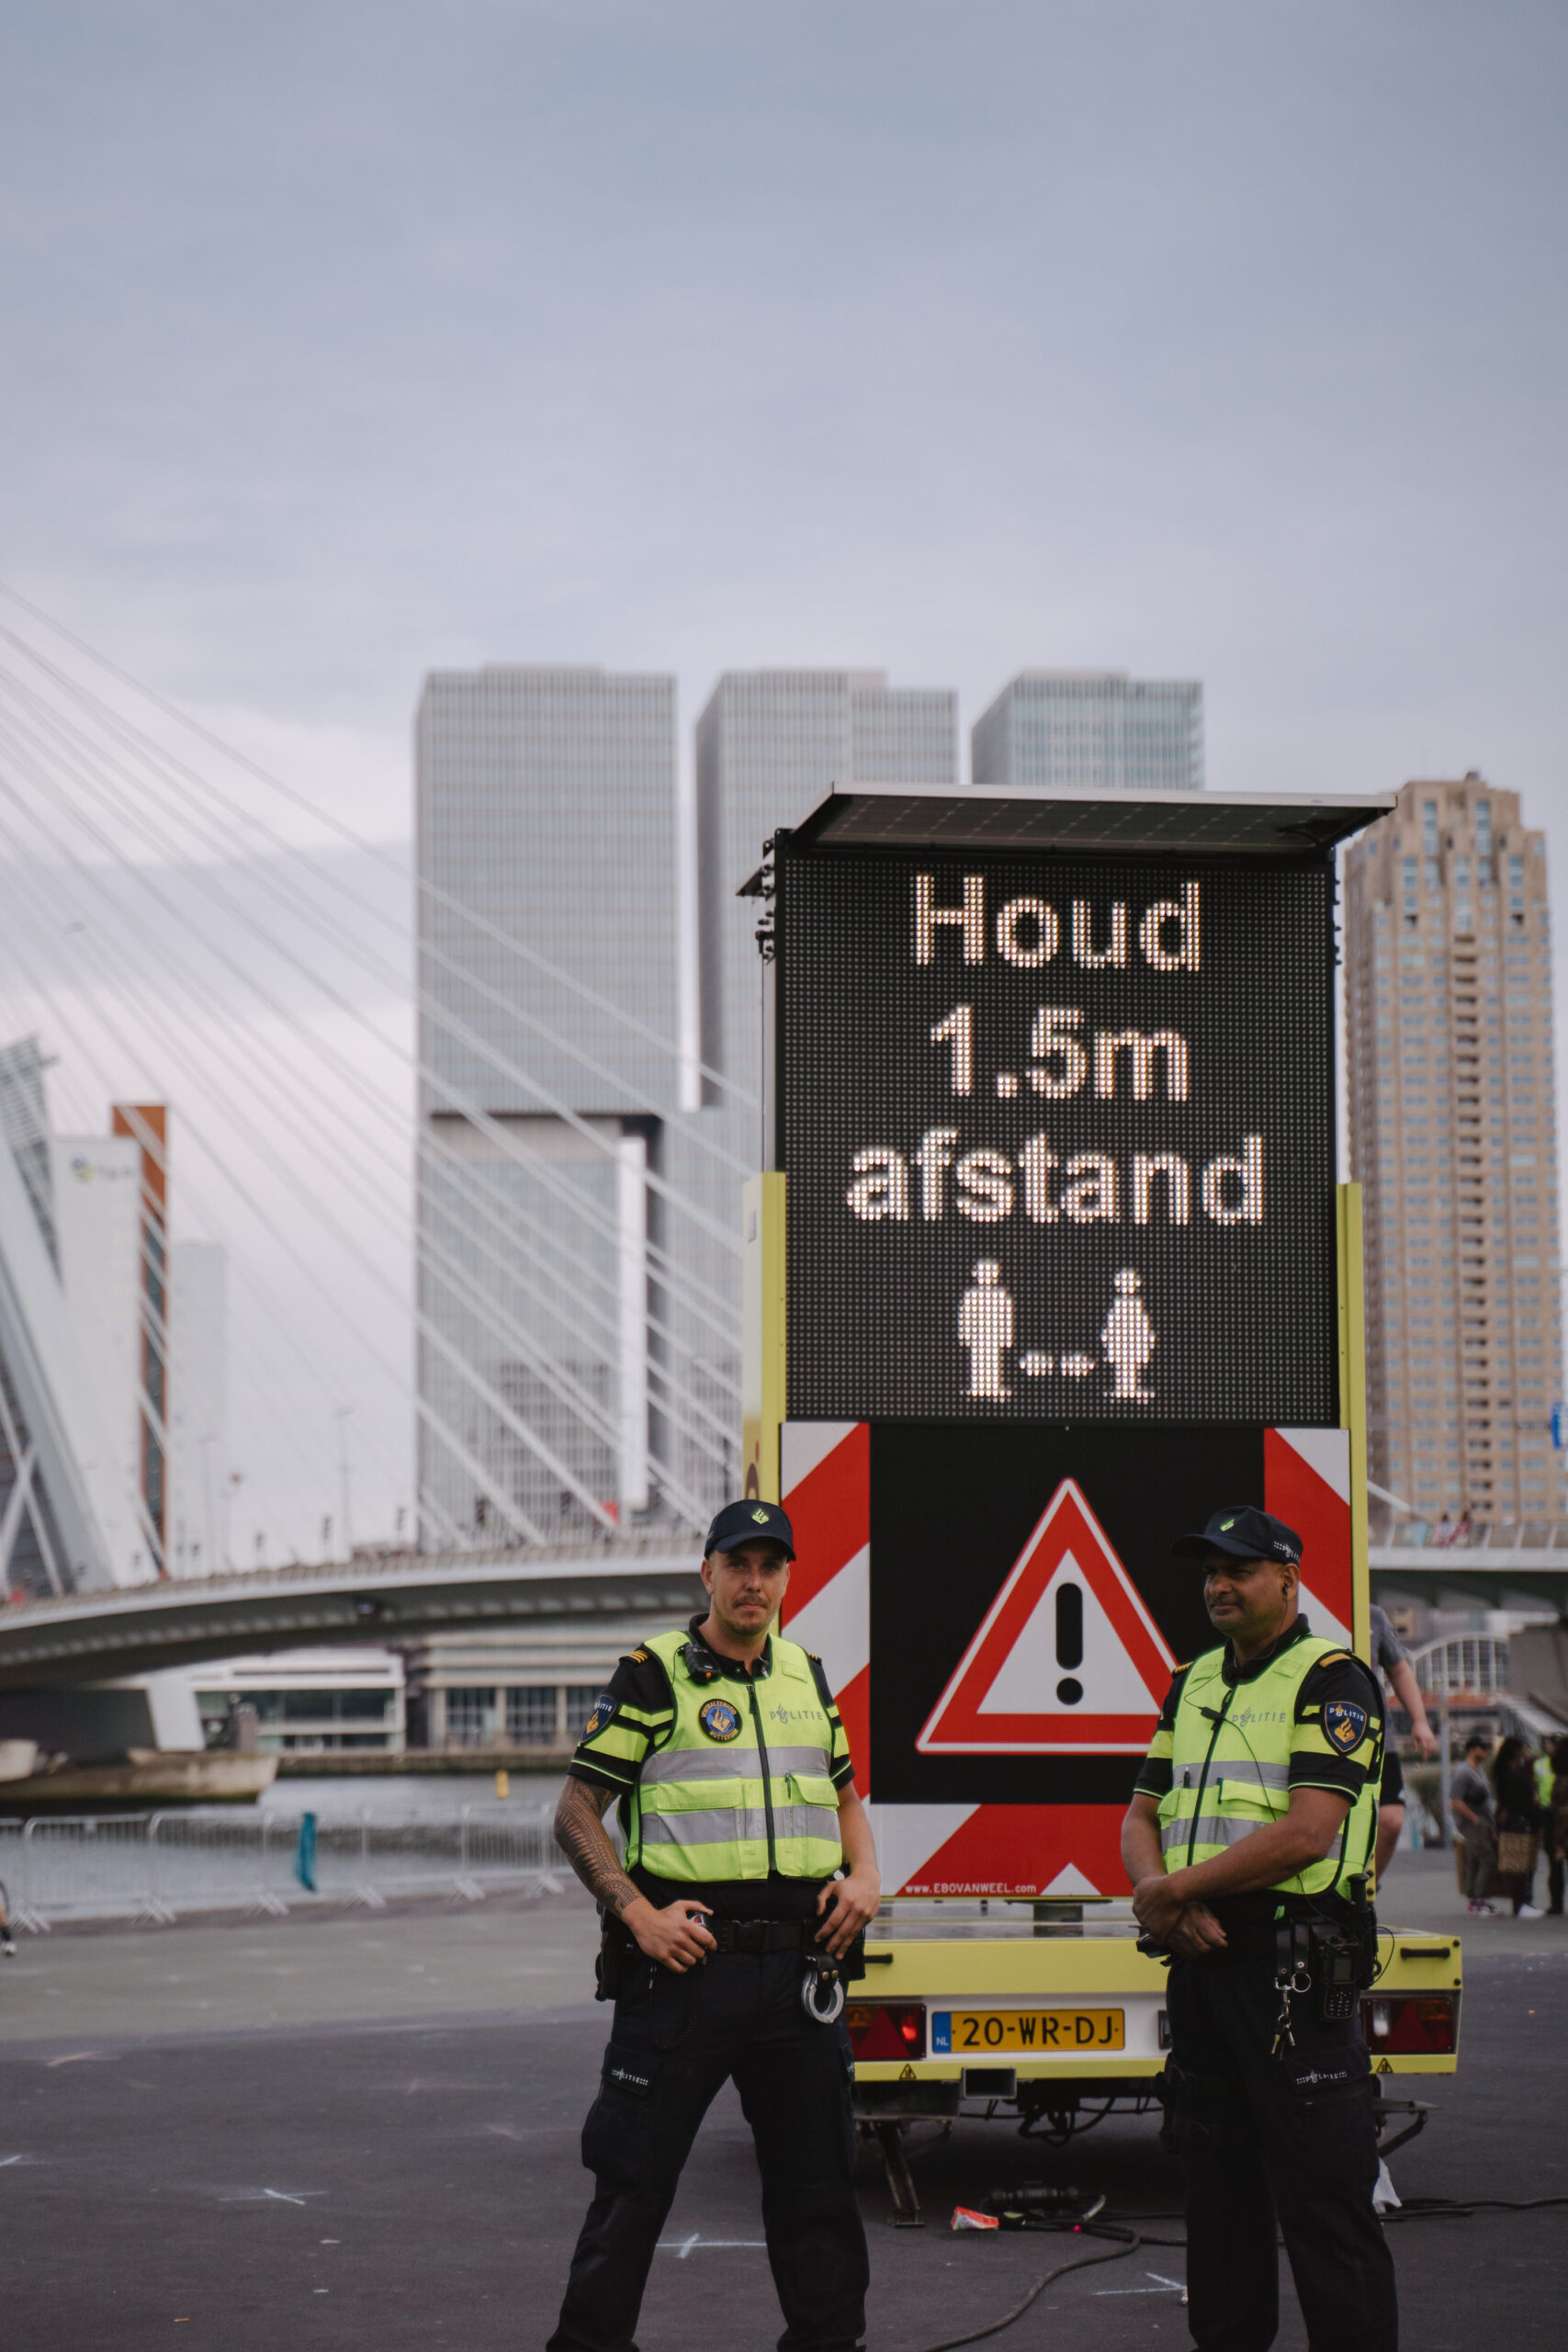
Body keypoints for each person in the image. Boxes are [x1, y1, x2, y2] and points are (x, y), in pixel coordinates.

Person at [546, 1498, 880, 2352]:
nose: (754, 1582)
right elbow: (578, 1813)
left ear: (786, 1579)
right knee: (632, 2188)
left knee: (818, 2196)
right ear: (708, 1572)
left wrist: (868, 1878)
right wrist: (635, 1915)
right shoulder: (652, 1674)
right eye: (739, 1564)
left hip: (802, 1977)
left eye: (771, 1567)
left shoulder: (806, 1675)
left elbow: (844, 1797)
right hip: (685, 1976)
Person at [1122, 1503, 1397, 2352]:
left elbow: (1308, 1833)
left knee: (1324, 2206)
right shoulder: (1193, 1678)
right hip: (1202, 1967)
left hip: (1292, 1974)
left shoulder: (1334, 1677)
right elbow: (1140, 1816)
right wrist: (1161, 1898)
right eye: (1210, 1572)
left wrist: (1171, 1895)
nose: (1218, 1586)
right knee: (1217, 2201)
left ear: (1288, 1578)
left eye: (1238, 1570)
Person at [1368, 1602, 1438, 1881]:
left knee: (1392, 1820)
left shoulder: (1373, 1615)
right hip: (1327, 1738)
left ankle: (1369, 1888)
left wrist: (1420, 1721)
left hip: (1378, 1739)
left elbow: (1399, 1669)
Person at [1493, 1734, 1544, 1918]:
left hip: (1511, 1822)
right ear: (1516, 1751)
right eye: (1524, 1748)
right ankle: (1522, 1903)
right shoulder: (1514, 1777)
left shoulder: (1504, 1774)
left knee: (1518, 1863)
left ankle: (1522, 1903)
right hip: (1520, 1822)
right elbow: (1525, 1803)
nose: (1527, 1751)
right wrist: (1538, 1822)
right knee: (1522, 1863)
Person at [1449, 1731, 1498, 1916]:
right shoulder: (1464, 1772)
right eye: (1483, 1748)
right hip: (1473, 1824)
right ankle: (1479, 1900)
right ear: (1473, 1749)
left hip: (1484, 1823)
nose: (1486, 1752)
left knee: (1476, 1860)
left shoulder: (1479, 1770)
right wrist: (1474, 1819)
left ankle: (1476, 1900)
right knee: (1487, 1859)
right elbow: (1456, 1800)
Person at [1546, 1735, 1568, 1918]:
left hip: (1559, 1825)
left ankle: (1556, 1904)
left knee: (1556, 1867)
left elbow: (1555, 1805)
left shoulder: (1558, 1779)